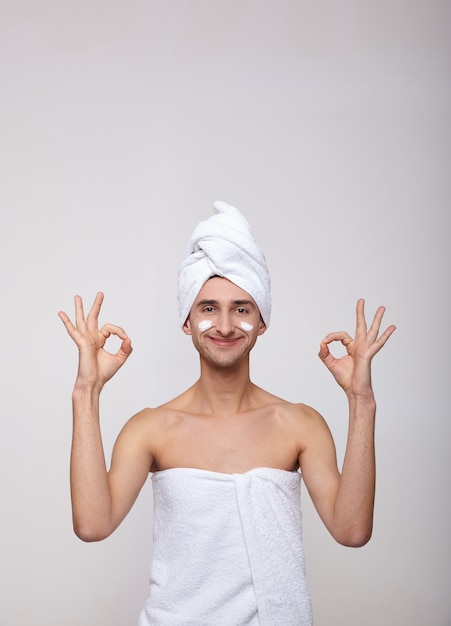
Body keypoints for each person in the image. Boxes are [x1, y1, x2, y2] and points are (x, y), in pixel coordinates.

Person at [58, 201, 396, 626]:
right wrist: (86, 391)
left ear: (262, 320)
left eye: (241, 308)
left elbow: (352, 531)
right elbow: (92, 524)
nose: (224, 325)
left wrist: (361, 402)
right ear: (186, 320)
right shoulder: (152, 428)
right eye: (207, 308)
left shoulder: (299, 425)